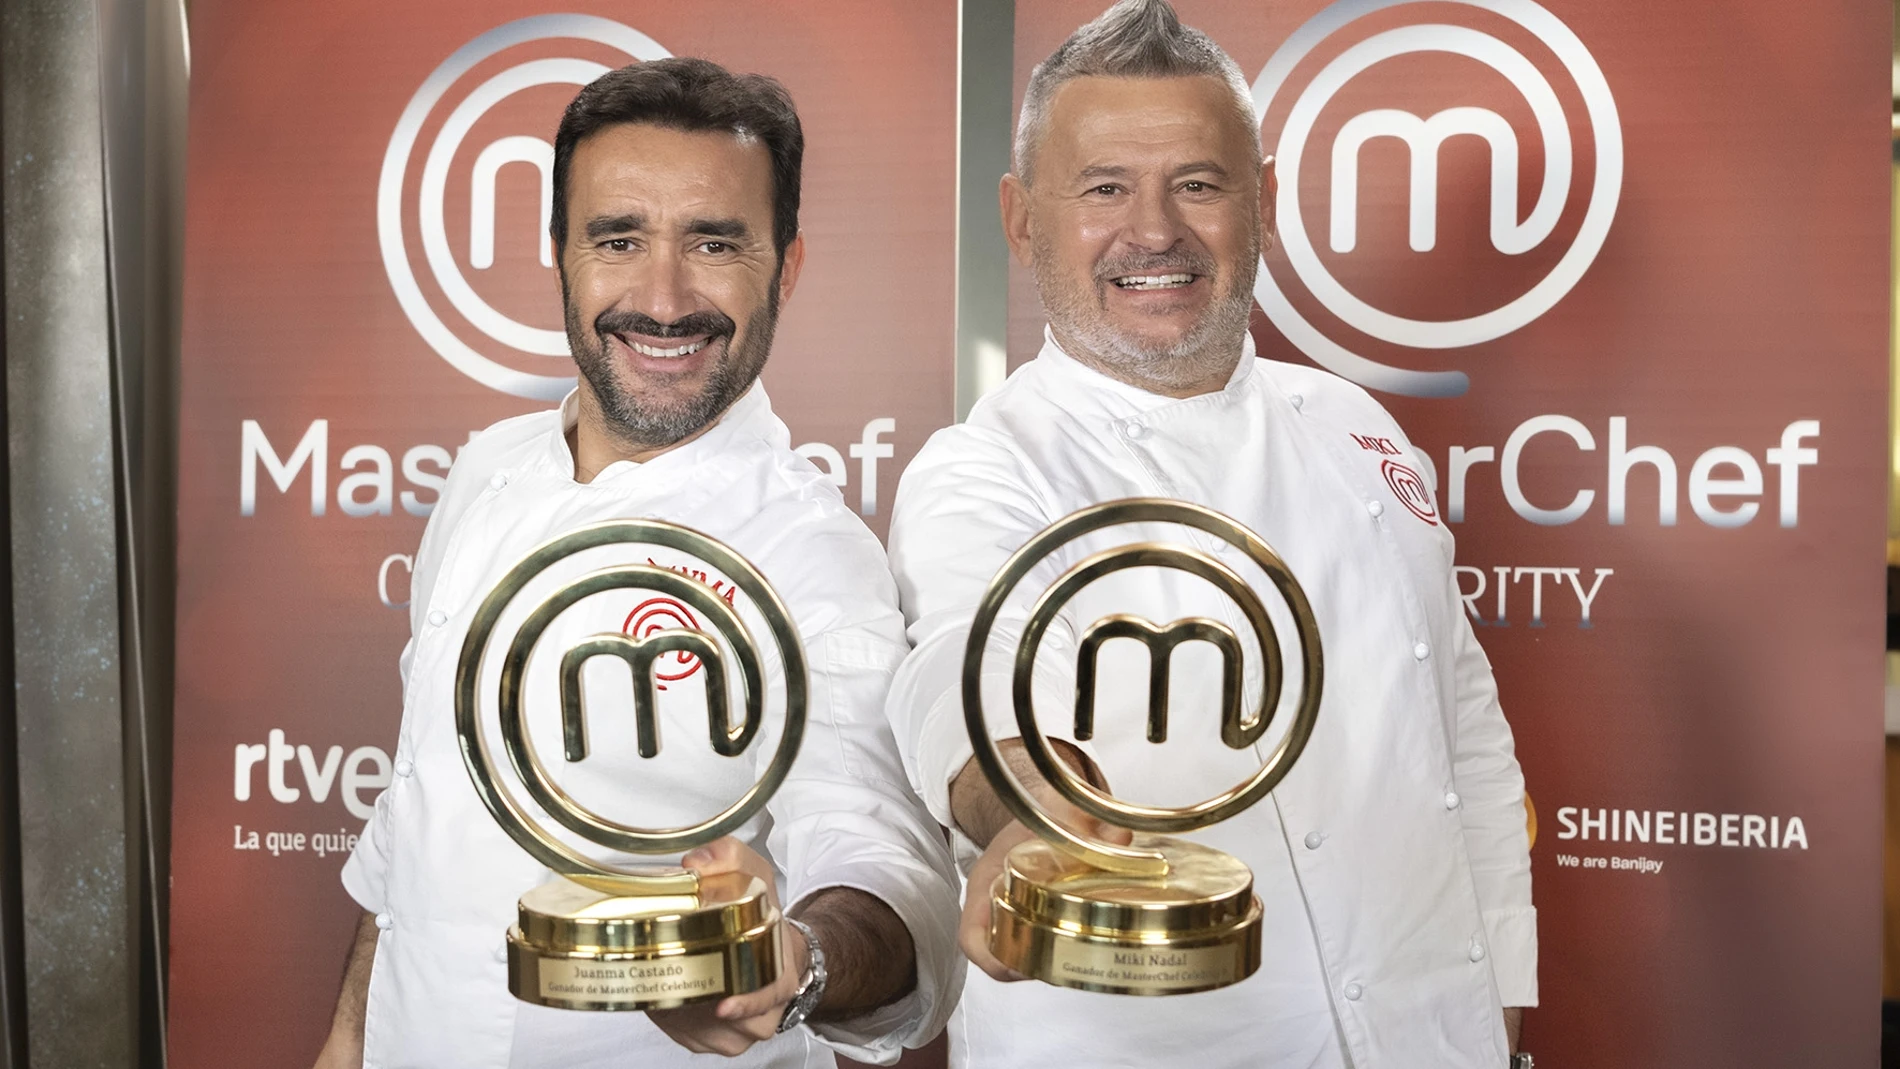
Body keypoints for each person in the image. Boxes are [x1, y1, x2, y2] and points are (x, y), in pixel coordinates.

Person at [884, 2, 1535, 1067]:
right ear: (1019, 220)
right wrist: (1027, 813)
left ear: (1263, 203)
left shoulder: (1355, 427)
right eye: (1103, 189)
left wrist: (1495, 1004)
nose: (1154, 232)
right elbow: (964, 672)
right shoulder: (984, 468)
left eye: (1197, 182)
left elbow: (1459, 732)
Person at [313, 58, 960, 1069]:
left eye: (713, 243)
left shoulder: (808, 550)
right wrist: (344, 1047)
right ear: (559, 256)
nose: (663, 298)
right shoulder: (486, 473)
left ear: (784, 269)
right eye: (618, 239)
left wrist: (806, 960)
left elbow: (882, 859)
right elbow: (418, 824)